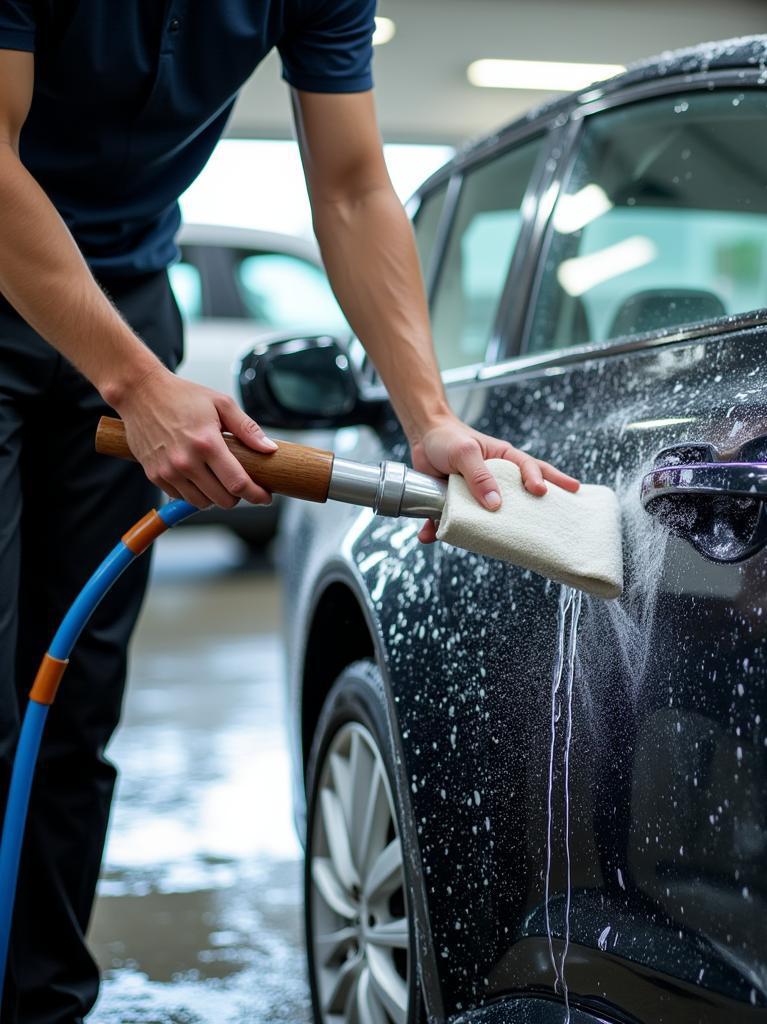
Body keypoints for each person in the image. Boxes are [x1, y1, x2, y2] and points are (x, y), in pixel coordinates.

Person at [0, 2, 579, 1020]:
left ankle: (40, 1002)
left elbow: (353, 186)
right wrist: (138, 388)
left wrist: (429, 417)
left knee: (74, 705)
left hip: (128, 289)